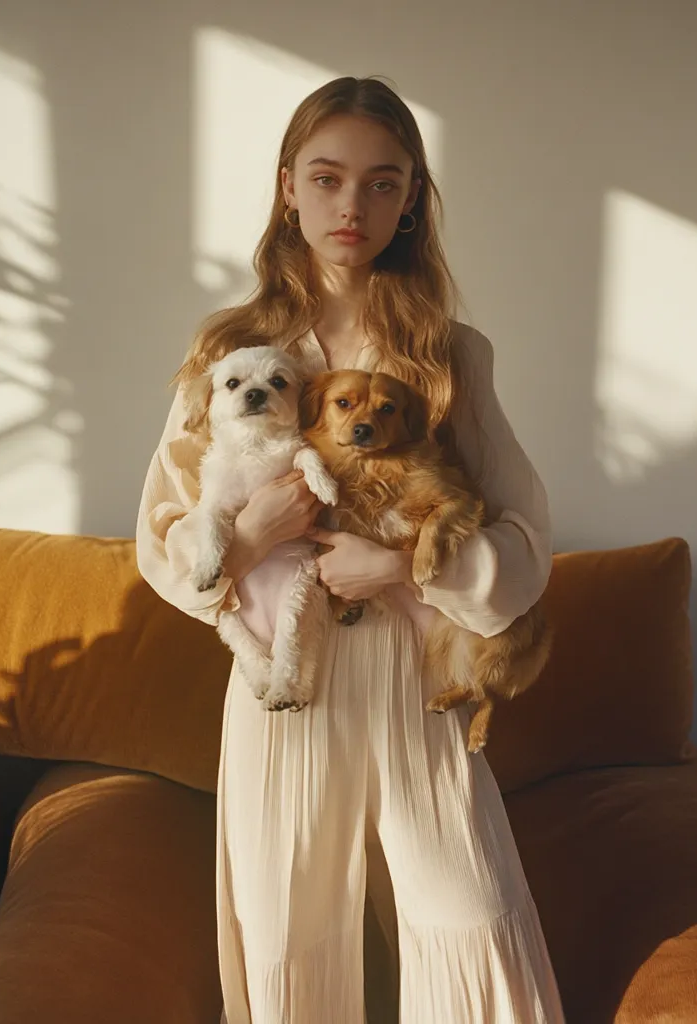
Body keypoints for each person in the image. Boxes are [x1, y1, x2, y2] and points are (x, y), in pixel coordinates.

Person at [136, 76, 565, 1024]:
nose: (352, 206)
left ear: (411, 198)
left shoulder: (452, 353)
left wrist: (407, 566)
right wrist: (251, 537)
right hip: (286, 689)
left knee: (469, 916)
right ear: (288, 186)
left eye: (382, 182)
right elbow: (163, 538)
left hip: (415, 677)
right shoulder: (231, 352)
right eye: (328, 178)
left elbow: (527, 544)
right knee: (289, 937)